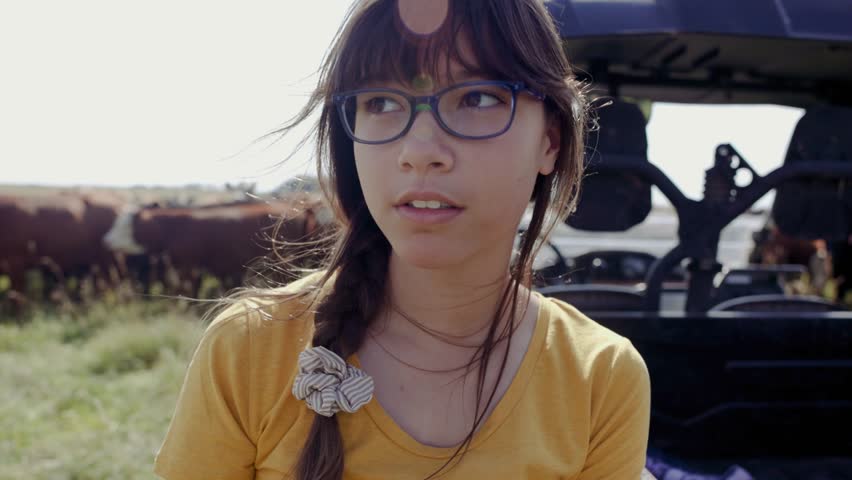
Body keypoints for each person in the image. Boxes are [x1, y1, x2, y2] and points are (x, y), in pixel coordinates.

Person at [153, 0, 651, 479]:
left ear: (550, 140)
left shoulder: (600, 377)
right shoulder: (251, 347)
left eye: (478, 97)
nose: (418, 152)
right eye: (382, 102)